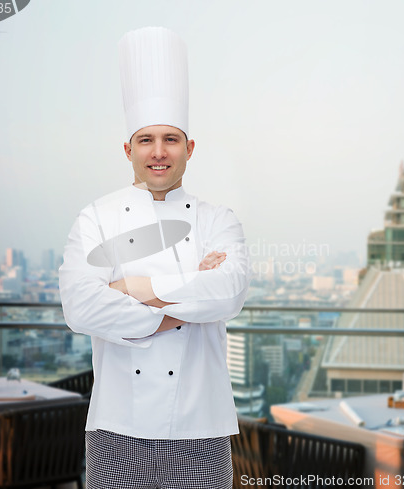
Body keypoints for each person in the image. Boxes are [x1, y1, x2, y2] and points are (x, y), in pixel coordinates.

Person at [59, 26, 251, 489]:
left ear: (190, 148)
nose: (159, 152)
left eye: (171, 139)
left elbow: (227, 294)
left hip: (202, 430)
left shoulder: (218, 219)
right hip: (116, 428)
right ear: (128, 149)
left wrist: (131, 290)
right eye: (146, 140)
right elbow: (79, 307)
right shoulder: (96, 217)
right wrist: (184, 301)